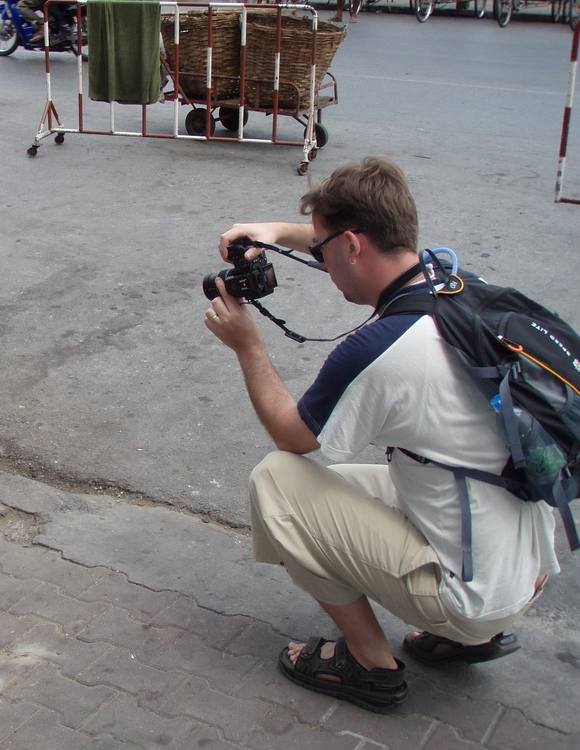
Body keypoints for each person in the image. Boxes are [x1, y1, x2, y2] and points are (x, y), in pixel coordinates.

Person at [204, 156, 559, 712]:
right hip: (523, 567)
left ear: (351, 246)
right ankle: (474, 635)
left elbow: (292, 436)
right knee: (377, 477)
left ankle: (370, 664)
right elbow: (341, 232)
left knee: (279, 483)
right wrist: (270, 234)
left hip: (471, 592)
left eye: (320, 250)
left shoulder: (382, 349)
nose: (316, 256)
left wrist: (248, 347)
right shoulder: (452, 283)